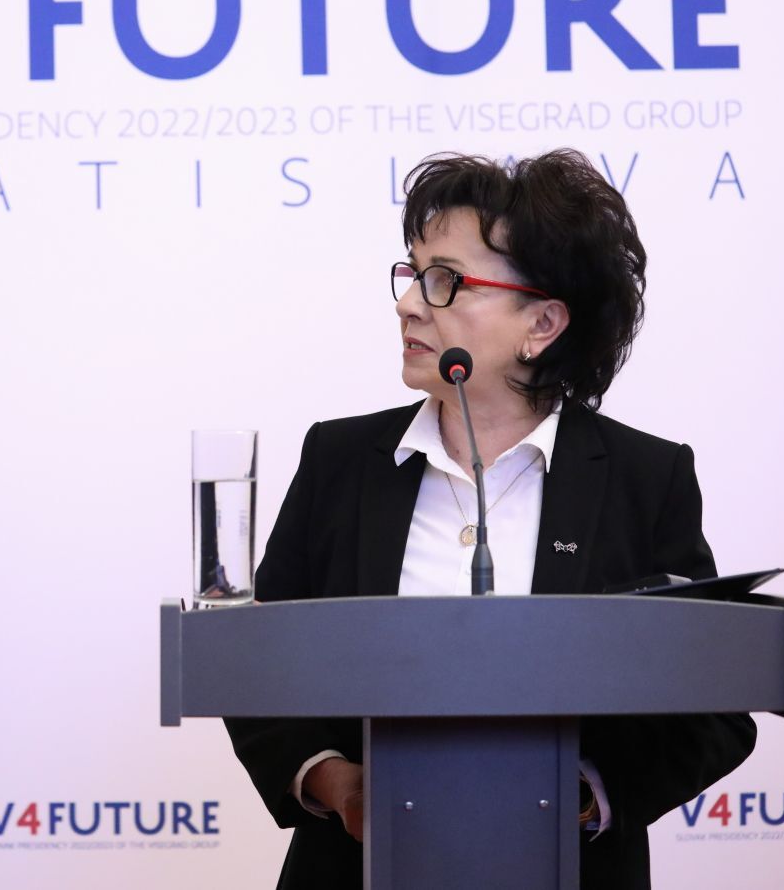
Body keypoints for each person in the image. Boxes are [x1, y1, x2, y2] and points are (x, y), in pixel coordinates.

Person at [225, 150, 755, 889]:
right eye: (412, 274)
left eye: (445, 281)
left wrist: (579, 796)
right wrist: (336, 783)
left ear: (542, 322)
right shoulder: (340, 461)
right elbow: (256, 661)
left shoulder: (644, 478)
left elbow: (714, 706)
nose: (410, 305)